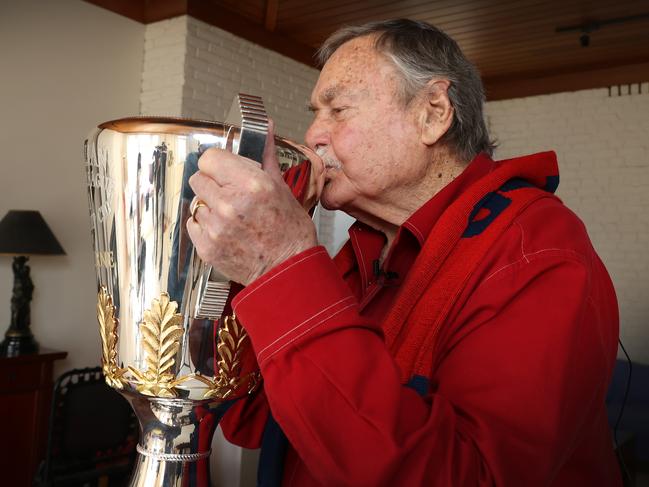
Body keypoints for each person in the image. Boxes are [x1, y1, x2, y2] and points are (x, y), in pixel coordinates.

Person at [186, 19, 622, 487]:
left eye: (337, 110)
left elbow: (468, 477)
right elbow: (252, 419)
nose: (313, 134)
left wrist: (283, 262)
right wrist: (251, 261)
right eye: (316, 112)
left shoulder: (535, 250)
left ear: (433, 113)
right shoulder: (365, 254)